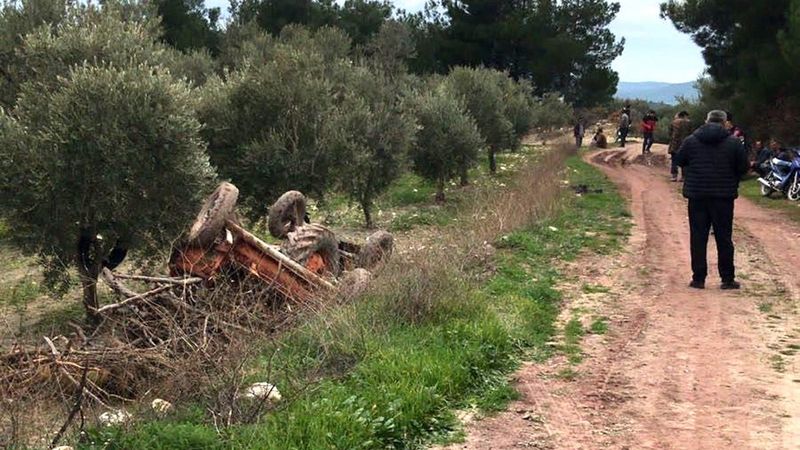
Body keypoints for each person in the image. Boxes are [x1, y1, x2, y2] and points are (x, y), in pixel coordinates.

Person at [676, 110, 748, 290]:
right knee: (724, 237)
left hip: (697, 195)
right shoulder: (734, 143)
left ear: (706, 121)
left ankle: (698, 278)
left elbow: (679, 159)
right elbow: (743, 167)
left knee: (698, 237)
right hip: (723, 197)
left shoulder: (691, 140)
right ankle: (727, 278)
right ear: (725, 123)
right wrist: (733, 178)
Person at [668, 111, 692, 182]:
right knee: (685, 161)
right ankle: (684, 177)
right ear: (684, 116)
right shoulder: (689, 123)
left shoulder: (674, 122)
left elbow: (670, 133)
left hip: (674, 144)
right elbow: (691, 133)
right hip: (685, 143)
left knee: (674, 160)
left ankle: (674, 176)